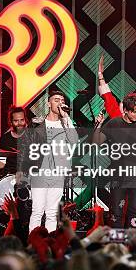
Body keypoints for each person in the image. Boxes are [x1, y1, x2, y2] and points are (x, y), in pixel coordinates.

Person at [94, 93, 136, 229]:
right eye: (135, 112)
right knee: (116, 212)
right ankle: (117, 243)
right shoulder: (114, 123)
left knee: (135, 212)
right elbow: (96, 142)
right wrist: (99, 125)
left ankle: (131, 243)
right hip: (119, 175)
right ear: (125, 110)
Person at [19, 88, 78, 233]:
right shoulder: (37, 125)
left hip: (58, 174)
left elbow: (74, 141)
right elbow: (25, 149)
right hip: (40, 173)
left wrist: (66, 118)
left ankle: (49, 244)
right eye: (56, 100)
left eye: (62, 101)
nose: (60, 103)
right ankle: (34, 242)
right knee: (38, 210)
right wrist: (22, 172)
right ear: (48, 103)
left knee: (52, 213)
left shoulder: (66, 124)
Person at [0, 106, 27, 175]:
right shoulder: (5, 139)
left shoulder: (33, 136)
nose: (19, 123)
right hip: (10, 176)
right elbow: (2, 164)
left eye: (22, 120)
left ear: (25, 120)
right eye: (16, 121)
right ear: (10, 122)